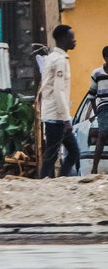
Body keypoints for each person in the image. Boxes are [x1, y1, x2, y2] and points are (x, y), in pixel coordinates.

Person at [40, 24, 80, 178]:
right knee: (60, 153)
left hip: (53, 115)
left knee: (54, 153)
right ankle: (51, 181)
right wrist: (66, 119)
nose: (74, 41)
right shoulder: (60, 61)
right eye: (72, 38)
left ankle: (53, 181)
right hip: (57, 117)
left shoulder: (52, 57)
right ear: (63, 39)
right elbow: (59, 91)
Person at [85, 46, 108, 174]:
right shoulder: (97, 73)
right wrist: (96, 112)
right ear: (105, 58)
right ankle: (94, 168)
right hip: (103, 106)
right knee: (103, 133)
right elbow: (92, 95)